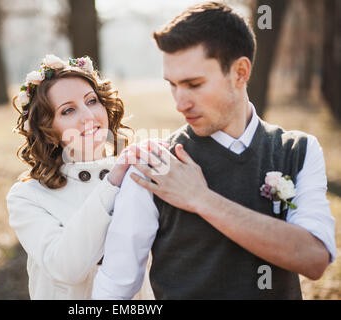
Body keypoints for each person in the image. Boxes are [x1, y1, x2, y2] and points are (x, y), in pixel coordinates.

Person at [92, 2, 336, 300]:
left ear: (240, 72)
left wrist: (200, 199)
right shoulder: (153, 166)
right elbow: (114, 289)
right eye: (172, 85)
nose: (180, 103)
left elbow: (313, 259)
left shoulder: (298, 150)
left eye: (194, 84)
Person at [6, 54, 153, 299]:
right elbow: (66, 269)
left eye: (92, 101)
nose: (88, 116)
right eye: (68, 110)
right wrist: (111, 183)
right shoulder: (27, 196)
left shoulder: (137, 174)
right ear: (48, 130)